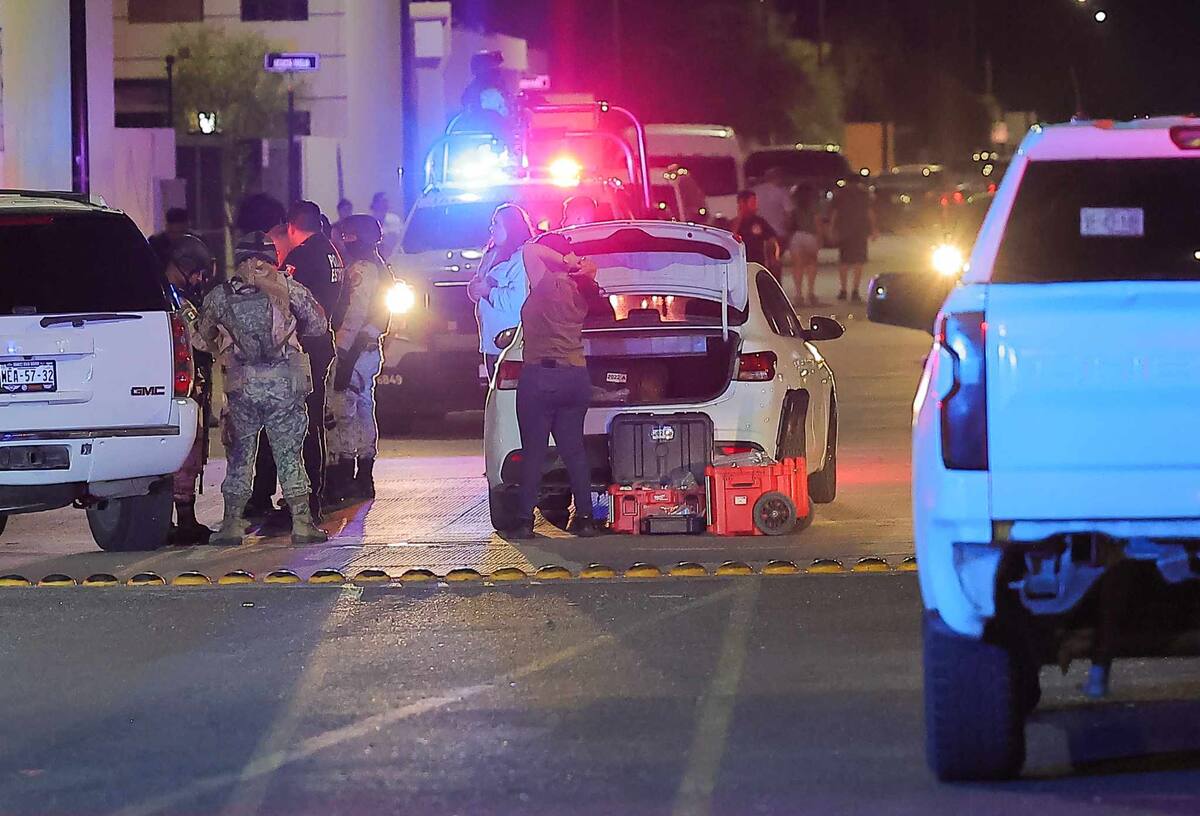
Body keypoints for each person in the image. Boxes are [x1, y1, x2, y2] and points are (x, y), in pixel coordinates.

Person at [198, 232, 330, 546]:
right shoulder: (289, 288)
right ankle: (301, 523)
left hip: (243, 385)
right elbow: (318, 325)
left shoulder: (221, 295)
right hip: (284, 384)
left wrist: (225, 346)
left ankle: (231, 526)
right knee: (289, 454)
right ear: (274, 259)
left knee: (241, 455)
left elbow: (203, 338)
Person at [246, 200, 344, 521]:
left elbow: (286, 302)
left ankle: (303, 499)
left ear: (291, 226)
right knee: (309, 422)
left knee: (297, 425)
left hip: (301, 350)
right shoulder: (331, 251)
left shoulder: (302, 257)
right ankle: (309, 495)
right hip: (319, 345)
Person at [507, 236, 604, 540]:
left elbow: (529, 249)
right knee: (574, 451)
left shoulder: (546, 283)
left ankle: (524, 521)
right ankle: (585, 518)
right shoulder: (582, 290)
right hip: (575, 377)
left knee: (534, 453)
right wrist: (582, 269)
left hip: (541, 377)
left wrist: (567, 260)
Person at [323, 214, 393, 509]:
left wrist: (341, 350)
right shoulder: (380, 267)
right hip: (368, 350)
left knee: (342, 411)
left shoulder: (362, 270)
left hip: (354, 351)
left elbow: (354, 314)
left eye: (347, 236)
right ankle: (364, 476)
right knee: (364, 408)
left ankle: (344, 478)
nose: (342, 241)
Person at [164, 233, 219, 544]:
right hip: (184, 385)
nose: (199, 280)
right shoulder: (176, 299)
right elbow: (202, 338)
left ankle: (182, 518)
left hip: (178, 383)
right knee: (188, 451)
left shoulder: (163, 292)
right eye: (197, 273)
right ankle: (184, 519)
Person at [467, 204, 535, 379]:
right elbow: (480, 284)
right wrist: (474, 290)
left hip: (510, 344)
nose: (491, 228)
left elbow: (518, 300)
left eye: (497, 223)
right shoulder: (491, 254)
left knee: (509, 400)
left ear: (511, 227)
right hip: (491, 343)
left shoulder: (521, 259)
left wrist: (488, 292)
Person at [831, 178, 877, 302]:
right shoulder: (864, 194)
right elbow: (869, 212)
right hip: (859, 231)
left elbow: (835, 213)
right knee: (858, 262)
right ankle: (855, 291)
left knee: (844, 261)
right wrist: (873, 229)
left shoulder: (840, 194)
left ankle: (843, 290)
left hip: (844, 230)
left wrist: (832, 228)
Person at [731, 190, 781, 272]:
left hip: (758, 265)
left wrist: (774, 257)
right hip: (741, 266)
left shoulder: (760, 222)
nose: (755, 206)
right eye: (752, 202)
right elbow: (731, 239)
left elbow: (772, 239)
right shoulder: (734, 223)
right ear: (742, 203)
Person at [788, 184, 822, 307]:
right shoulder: (814, 207)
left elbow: (789, 222)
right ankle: (811, 293)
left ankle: (798, 295)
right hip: (810, 236)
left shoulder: (794, 207)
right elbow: (817, 222)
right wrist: (820, 237)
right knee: (811, 264)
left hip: (797, 236)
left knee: (797, 266)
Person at [752, 167, 794, 248]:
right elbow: (789, 215)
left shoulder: (754, 191)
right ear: (778, 177)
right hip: (778, 233)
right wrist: (789, 233)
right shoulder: (782, 192)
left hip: (759, 234)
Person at [370, 192, 403, 259]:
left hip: (396, 257)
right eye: (383, 201)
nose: (385, 204)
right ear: (375, 204)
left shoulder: (394, 219)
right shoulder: (369, 223)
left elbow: (399, 238)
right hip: (377, 259)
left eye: (386, 201)